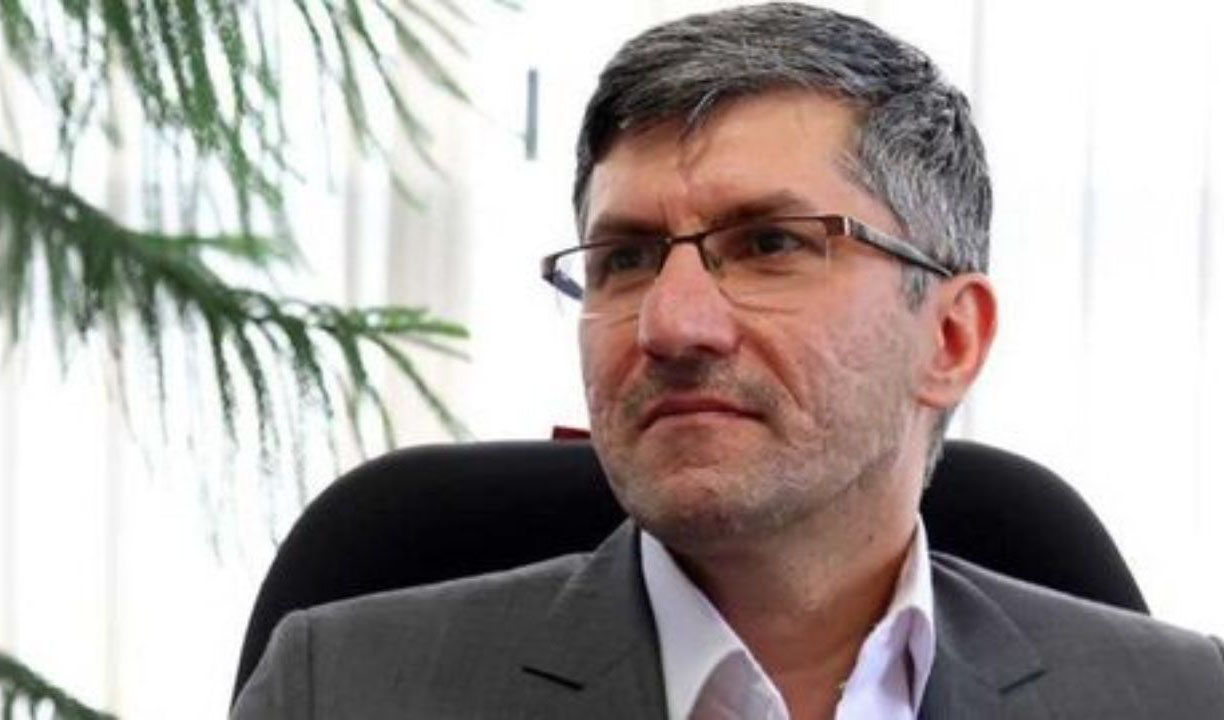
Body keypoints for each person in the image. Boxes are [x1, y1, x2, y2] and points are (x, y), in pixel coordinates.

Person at [232, 4, 1224, 718]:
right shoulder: (343, 688)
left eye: (770, 244)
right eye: (625, 259)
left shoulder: (1181, 698)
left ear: (950, 339)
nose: (671, 325)